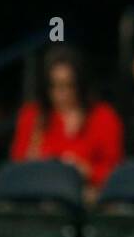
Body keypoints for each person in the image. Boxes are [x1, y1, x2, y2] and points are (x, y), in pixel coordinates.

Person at [11, 46, 124, 192]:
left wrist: (86, 170)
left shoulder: (103, 116)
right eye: (54, 86)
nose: (62, 94)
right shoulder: (32, 115)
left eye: (69, 85)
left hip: (86, 196)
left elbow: (116, 171)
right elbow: (17, 165)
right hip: (40, 193)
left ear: (81, 84)